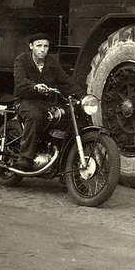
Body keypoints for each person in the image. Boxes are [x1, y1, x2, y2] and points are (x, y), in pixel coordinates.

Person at [12, 33, 85, 171]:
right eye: (39, 45)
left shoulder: (52, 63)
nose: (42, 49)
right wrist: (34, 86)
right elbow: (20, 81)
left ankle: (62, 160)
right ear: (31, 46)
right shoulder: (22, 60)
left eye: (45, 46)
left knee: (66, 116)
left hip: (48, 102)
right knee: (35, 116)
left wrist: (84, 96)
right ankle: (25, 157)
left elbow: (65, 81)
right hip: (26, 100)